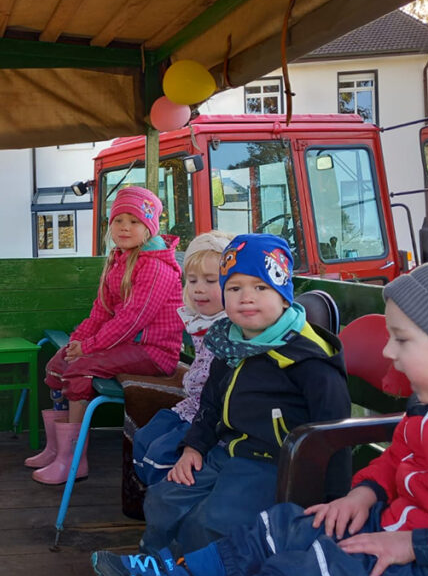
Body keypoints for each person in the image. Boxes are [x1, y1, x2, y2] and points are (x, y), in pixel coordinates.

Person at [93, 258, 428, 576]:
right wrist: (365, 494)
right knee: (284, 525)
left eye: (402, 340)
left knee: (325, 570)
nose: (388, 352)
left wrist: (415, 545)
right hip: (402, 530)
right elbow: (397, 459)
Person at [136, 233, 351, 553]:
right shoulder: (230, 344)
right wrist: (193, 447)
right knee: (164, 498)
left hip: (275, 466)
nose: (246, 297)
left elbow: (334, 434)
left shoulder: (308, 359)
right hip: (228, 451)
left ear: (283, 295)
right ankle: (158, 565)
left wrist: (335, 501)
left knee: (209, 522)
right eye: (235, 288)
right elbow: (210, 403)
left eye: (261, 287)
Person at [30, 186, 183, 484]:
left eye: (134, 221)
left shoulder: (156, 267)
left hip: (153, 352)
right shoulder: (120, 260)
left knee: (80, 369)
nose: (124, 227)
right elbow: (101, 312)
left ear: (149, 228)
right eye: (118, 220)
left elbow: (130, 321)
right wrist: (77, 342)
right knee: (58, 363)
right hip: (125, 346)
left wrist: (88, 349)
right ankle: (56, 448)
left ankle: (72, 460)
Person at [132, 231, 232, 486]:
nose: (199, 288)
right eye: (193, 279)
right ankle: (156, 497)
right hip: (193, 404)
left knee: (161, 454)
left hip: (214, 418)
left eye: (210, 280)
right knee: (144, 437)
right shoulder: (202, 321)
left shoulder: (233, 329)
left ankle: (171, 498)